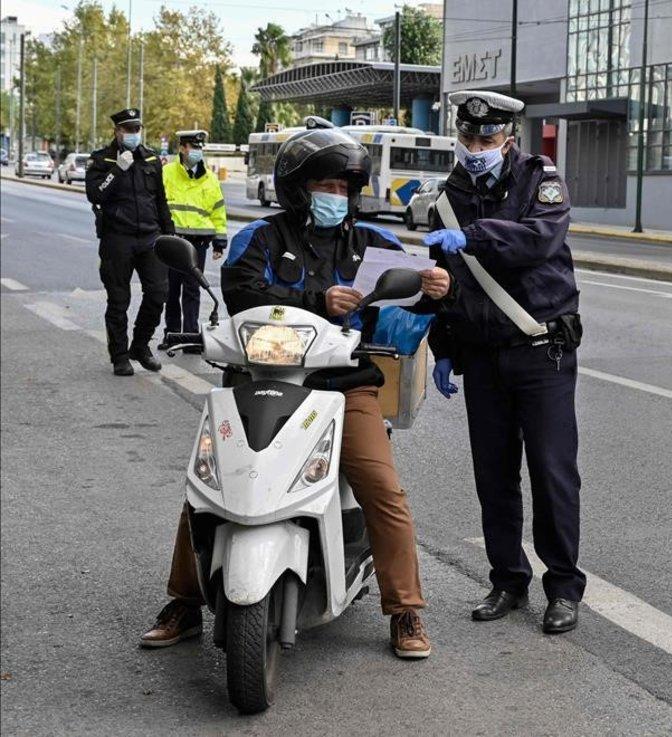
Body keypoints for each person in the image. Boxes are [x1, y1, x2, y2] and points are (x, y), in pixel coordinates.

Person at [140, 122, 451, 660]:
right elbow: (240, 291)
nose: (336, 196)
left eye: (343, 188)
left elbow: (401, 306)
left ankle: (404, 609)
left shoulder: (374, 243)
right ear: (296, 186)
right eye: (324, 185)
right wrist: (316, 299)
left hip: (342, 387)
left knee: (382, 489)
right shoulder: (259, 237)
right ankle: (185, 603)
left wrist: (433, 294)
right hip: (257, 381)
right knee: (206, 488)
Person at [423, 90, 586, 634]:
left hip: (542, 351)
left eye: (487, 139)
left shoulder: (540, 179)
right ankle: (507, 580)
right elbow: (446, 282)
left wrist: (472, 234)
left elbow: (538, 241)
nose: (475, 148)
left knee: (551, 472)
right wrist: (444, 347)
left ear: (508, 139)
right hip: (484, 357)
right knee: (493, 476)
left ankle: (562, 587)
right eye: (467, 138)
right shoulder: (449, 194)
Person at [85, 107, 175, 376]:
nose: (134, 134)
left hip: (150, 237)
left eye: (137, 129)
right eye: (128, 130)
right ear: (117, 131)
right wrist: (118, 171)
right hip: (117, 239)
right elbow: (95, 195)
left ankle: (140, 345)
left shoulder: (151, 159)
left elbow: (160, 200)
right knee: (118, 300)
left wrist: (168, 234)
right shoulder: (101, 160)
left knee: (159, 293)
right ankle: (120, 356)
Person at [158, 130, 227, 353]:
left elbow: (218, 210)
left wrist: (219, 242)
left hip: (199, 244)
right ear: (182, 148)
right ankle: (172, 334)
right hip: (173, 240)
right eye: (192, 147)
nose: (197, 151)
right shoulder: (167, 172)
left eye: (199, 147)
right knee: (171, 290)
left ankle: (190, 336)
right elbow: (158, 205)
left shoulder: (210, 178)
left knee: (192, 290)